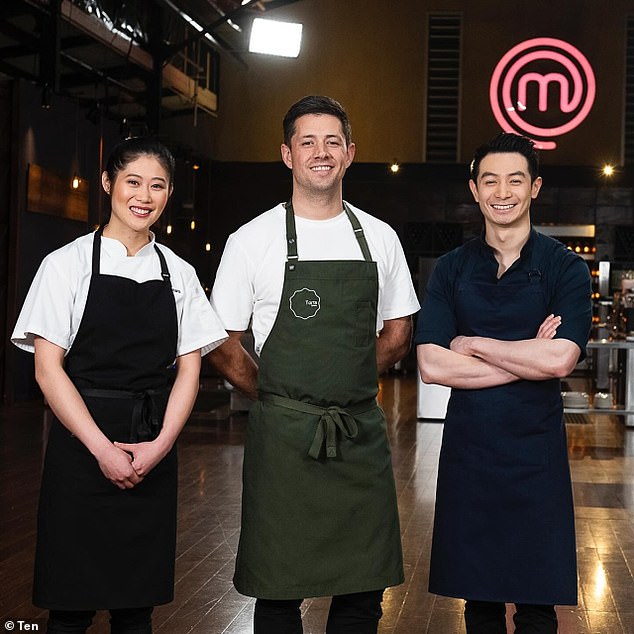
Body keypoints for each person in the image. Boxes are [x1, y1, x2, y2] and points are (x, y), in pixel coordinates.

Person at [208, 95, 420, 634]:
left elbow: (398, 335)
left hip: (358, 432)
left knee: (362, 590)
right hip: (283, 439)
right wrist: (282, 395)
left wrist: (345, 378)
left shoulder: (380, 237)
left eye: (332, 142)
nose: (320, 153)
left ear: (350, 154)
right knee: (278, 590)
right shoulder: (250, 240)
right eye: (308, 142)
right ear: (287, 154)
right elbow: (223, 345)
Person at [11, 137, 227, 634]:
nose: (143, 196)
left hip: (151, 443)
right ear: (108, 184)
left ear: (169, 194)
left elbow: (189, 370)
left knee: (137, 609)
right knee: (70, 608)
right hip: (80, 445)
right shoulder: (64, 264)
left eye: (157, 186)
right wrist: (101, 449)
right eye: (133, 182)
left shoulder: (181, 274)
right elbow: (48, 370)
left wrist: (160, 446)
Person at [416, 132, 592, 634]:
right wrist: (524, 353)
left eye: (515, 179)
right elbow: (432, 365)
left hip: (536, 456)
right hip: (471, 453)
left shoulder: (565, 268)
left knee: (538, 605)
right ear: (474, 189)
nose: (503, 191)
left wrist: (472, 342)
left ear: (534, 187)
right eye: (490, 180)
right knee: (480, 603)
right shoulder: (451, 268)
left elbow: (560, 359)